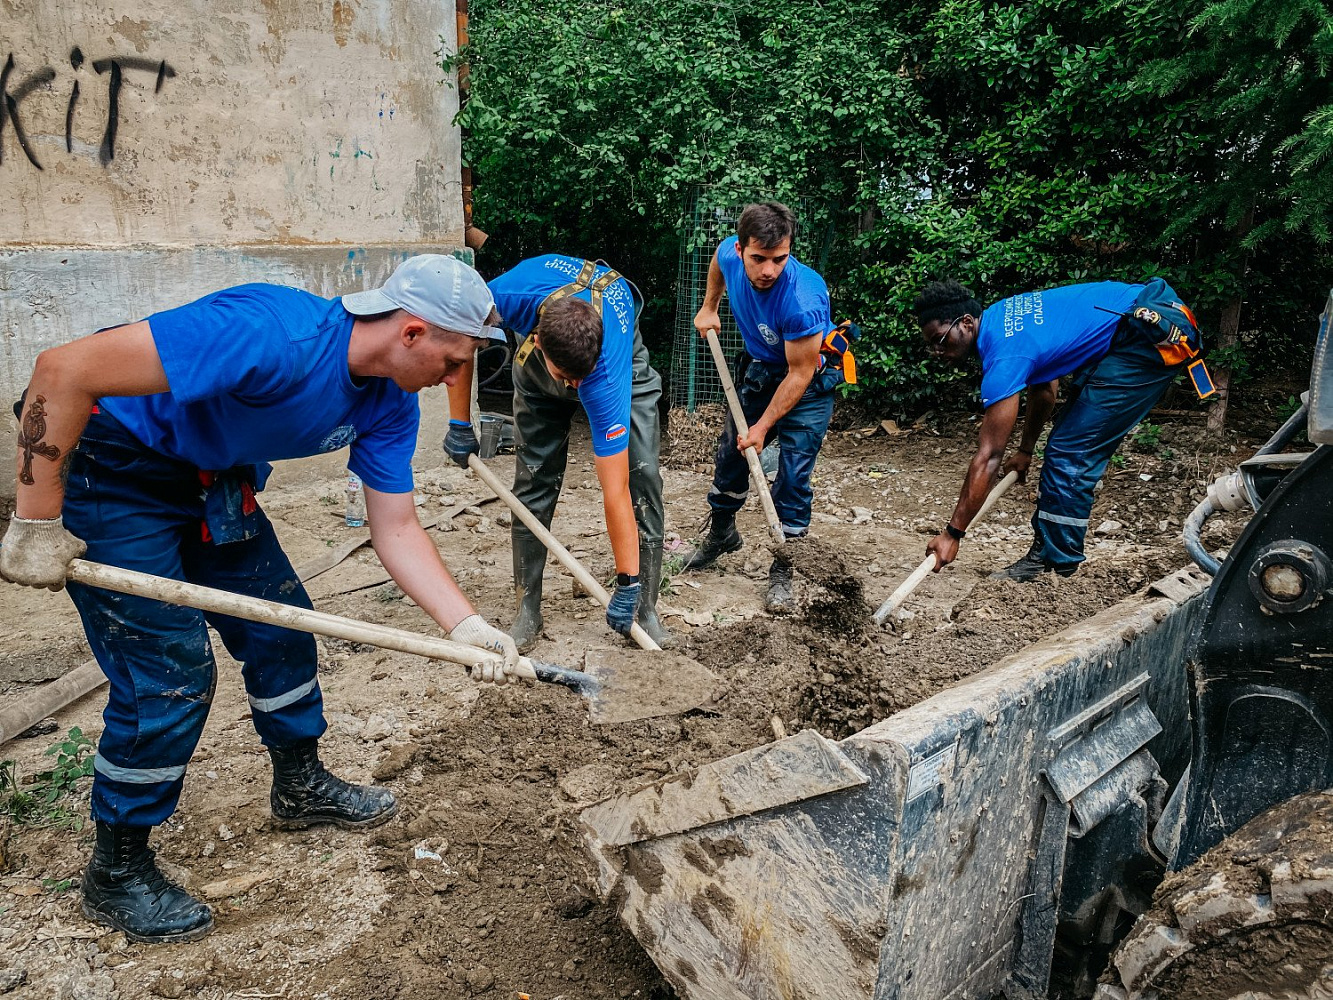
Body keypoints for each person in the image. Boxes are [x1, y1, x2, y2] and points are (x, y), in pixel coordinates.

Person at [0, 255, 522, 945]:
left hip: (211, 475)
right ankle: (116, 869)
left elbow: (393, 527)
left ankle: (299, 784)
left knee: (283, 631)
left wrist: (466, 624)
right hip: (116, 462)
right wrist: (36, 520)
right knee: (170, 678)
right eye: (454, 362)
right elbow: (62, 369)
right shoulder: (272, 334)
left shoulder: (390, 403)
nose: (454, 380)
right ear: (414, 333)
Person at [443, 255, 672, 650]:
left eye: (579, 379)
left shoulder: (603, 375)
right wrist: (460, 422)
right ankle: (527, 609)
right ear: (536, 338)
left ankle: (645, 607)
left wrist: (626, 582)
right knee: (532, 480)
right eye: (566, 377)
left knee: (641, 475)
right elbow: (460, 341)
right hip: (538, 367)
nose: (574, 387)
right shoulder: (504, 297)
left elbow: (613, 488)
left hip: (620, 363)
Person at [915, 277, 1205, 580]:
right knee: (1066, 441)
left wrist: (952, 534)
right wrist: (1026, 450)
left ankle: (1054, 567)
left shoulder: (1006, 354)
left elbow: (988, 456)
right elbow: (1044, 390)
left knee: (1070, 451)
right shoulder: (999, 320)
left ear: (965, 323)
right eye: (930, 345)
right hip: (1134, 326)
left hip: (1150, 335)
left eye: (940, 339)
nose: (937, 351)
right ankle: (1048, 554)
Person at [685, 201, 852, 612]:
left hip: (808, 382)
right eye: (759, 258)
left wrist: (762, 428)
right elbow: (718, 265)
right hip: (761, 370)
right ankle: (722, 533)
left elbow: (799, 376)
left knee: (792, 475)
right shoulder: (730, 252)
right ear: (742, 250)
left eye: (780, 259)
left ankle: (784, 566)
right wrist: (710, 306)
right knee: (731, 455)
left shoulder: (803, 297)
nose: (769, 271)